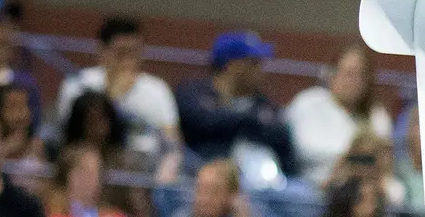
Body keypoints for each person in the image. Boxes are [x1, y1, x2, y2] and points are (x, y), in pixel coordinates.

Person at [54, 15, 180, 166]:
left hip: (143, 166)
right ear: (102, 51)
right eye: (121, 53)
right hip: (88, 160)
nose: (128, 61)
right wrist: (115, 95)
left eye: (134, 53)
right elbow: (66, 134)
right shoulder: (77, 84)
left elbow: (172, 141)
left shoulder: (157, 90)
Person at [176, 31, 296, 174]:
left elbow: (281, 137)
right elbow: (201, 121)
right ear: (231, 65)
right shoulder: (193, 94)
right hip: (202, 175)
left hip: (257, 180)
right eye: (253, 63)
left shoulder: (264, 105)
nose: (261, 70)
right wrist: (248, 121)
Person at [287, 45, 392, 187]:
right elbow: (302, 149)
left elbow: (384, 156)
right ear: (332, 73)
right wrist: (348, 155)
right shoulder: (309, 102)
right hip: (311, 187)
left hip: (363, 192)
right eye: (349, 73)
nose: (354, 82)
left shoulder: (377, 114)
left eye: (361, 75)